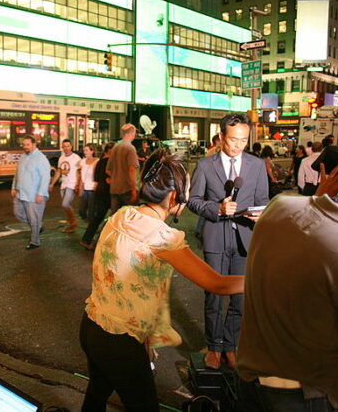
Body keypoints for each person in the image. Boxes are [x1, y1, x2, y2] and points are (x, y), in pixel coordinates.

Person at [79, 153, 244, 411]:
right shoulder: (163, 237)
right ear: (173, 196)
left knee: (97, 394)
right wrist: (264, 277)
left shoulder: (123, 215)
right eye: (187, 190)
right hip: (120, 341)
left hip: (91, 325)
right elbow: (218, 284)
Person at [237, 141, 338, 411]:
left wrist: (321, 197)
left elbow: (310, 221)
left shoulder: (279, 207)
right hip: (304, 397)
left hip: (250, 382)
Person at [187, 113, 269, 369]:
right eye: (233, 140)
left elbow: (264, 200)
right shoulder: (204, 165)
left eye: (244, 141)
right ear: (222, 137)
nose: (238, 145)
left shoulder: (256, 165)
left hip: (246, 238)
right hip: (215, 237)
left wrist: (261, 214)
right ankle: (213, 346)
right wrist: (218, 209)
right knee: (213, 296)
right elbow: (194, 200)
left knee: (241, 298)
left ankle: (230, 345)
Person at [12, 135, 51, 250]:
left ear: (34, 144)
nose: (25, 147)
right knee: (18, 213)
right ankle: (39, 226)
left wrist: (41, 193)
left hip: (34, 195)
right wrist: (14, 186)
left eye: (27, 145)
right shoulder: (23, 157)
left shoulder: (41, 158)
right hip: (21, 192)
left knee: (34, 220)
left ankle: (35, 241)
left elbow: (45, 177)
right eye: (24, 145)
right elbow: (17, 173)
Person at [80, 142, 114, 250]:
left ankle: (87, 239)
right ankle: (102, 242)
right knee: (112, 217)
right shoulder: (110, 162)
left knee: (98, 217)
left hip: (99, 191)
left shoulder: (100, 161)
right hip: (108, 193)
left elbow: (96, 178)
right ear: (110, 150)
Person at [49, 139, 81, 233]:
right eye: (64, 146)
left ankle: (74, 222)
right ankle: (72, 224)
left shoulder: (76, 158)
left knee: (65, 204)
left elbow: (79, 172)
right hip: (63, 185)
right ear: (62, 147)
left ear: (71, 147)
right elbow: (59, 172)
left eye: (68, 146)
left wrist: (78, 184)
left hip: (72, 184)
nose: (66, 148)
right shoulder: (61, 158)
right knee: (66, 206)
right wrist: (52, 184)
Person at [107, 124, 139, 212]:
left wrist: (116, 178)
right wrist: (133, 189)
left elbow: (108, 170)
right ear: (132, 133)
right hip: (127, 189)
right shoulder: (130, 148)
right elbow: (132, 170)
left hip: (115, 188)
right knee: (131, 216)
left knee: (114, 216)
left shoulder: (115, 148)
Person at [76, 143, 99, 222]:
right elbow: (79, 174)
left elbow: (98, 175)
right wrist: (79, 186)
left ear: (92, 151)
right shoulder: (82, 162)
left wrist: (97, 186)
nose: (85, 152)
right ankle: (88, 221)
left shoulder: (97, 161)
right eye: (84, 150)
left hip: (93, 188)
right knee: (81, 210)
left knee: (91, 210)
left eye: (86, 150)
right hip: (85, 188)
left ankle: (91, 225)